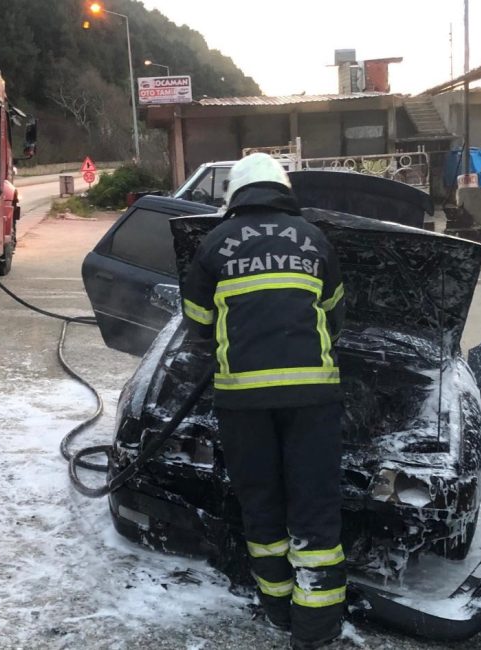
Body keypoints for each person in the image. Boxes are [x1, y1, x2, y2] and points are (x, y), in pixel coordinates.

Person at [180, 153, 347, 649]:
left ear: (234, 194)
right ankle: (316, 627)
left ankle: (277, 608)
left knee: (263, 505)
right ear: (282, 188)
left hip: (243, 400)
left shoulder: (214, 244)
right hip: (312, 397)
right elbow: (335, 314)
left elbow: (196, 320)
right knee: (314, 506)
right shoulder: (315, 239)